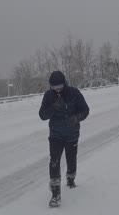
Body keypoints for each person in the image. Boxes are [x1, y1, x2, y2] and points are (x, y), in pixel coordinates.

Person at [39, 71, 90, 207]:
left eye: (60, 87)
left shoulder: (74, 93)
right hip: (55, 135)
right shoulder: (48, 96)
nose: (57, 90)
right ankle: (55, 194)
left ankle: (71, 179)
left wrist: (76, 118)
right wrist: (53, 108)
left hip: (72, 134)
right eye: (54, 87)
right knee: (54, 162)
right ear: (51, 86)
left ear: (65, 83)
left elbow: (85, 110)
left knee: (71, 159)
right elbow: (42, 115)